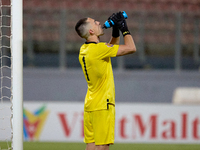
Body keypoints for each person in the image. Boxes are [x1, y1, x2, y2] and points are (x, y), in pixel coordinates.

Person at [75, 12, 136, 150]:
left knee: (91, 145)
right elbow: (131, 48)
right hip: (103, 104)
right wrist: (124, 27)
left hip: (90, 104)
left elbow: (108, 49)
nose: (98, 23)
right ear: (91, 31)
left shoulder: (84, 49)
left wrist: (115, 31)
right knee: (102, 147)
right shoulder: (99, 50)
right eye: (95, 22)